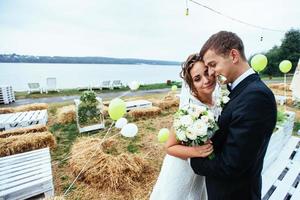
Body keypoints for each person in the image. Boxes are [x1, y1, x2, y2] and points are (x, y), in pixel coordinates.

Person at [190, 31, 277, 200]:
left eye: (213, 64)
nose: (211, 72)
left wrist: (194, 160)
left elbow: (232, 165)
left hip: (237, 194)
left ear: (234, 55)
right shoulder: (242, 90)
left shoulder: (255, 97)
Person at [150, 53, 220, 200]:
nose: (206, 80)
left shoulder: (219, 102)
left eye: (207, 72)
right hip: (180, 170)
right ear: (192, 86)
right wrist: (195, 151)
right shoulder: (189, 110)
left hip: (201, 170)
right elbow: (169, 147)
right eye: (197, 78)